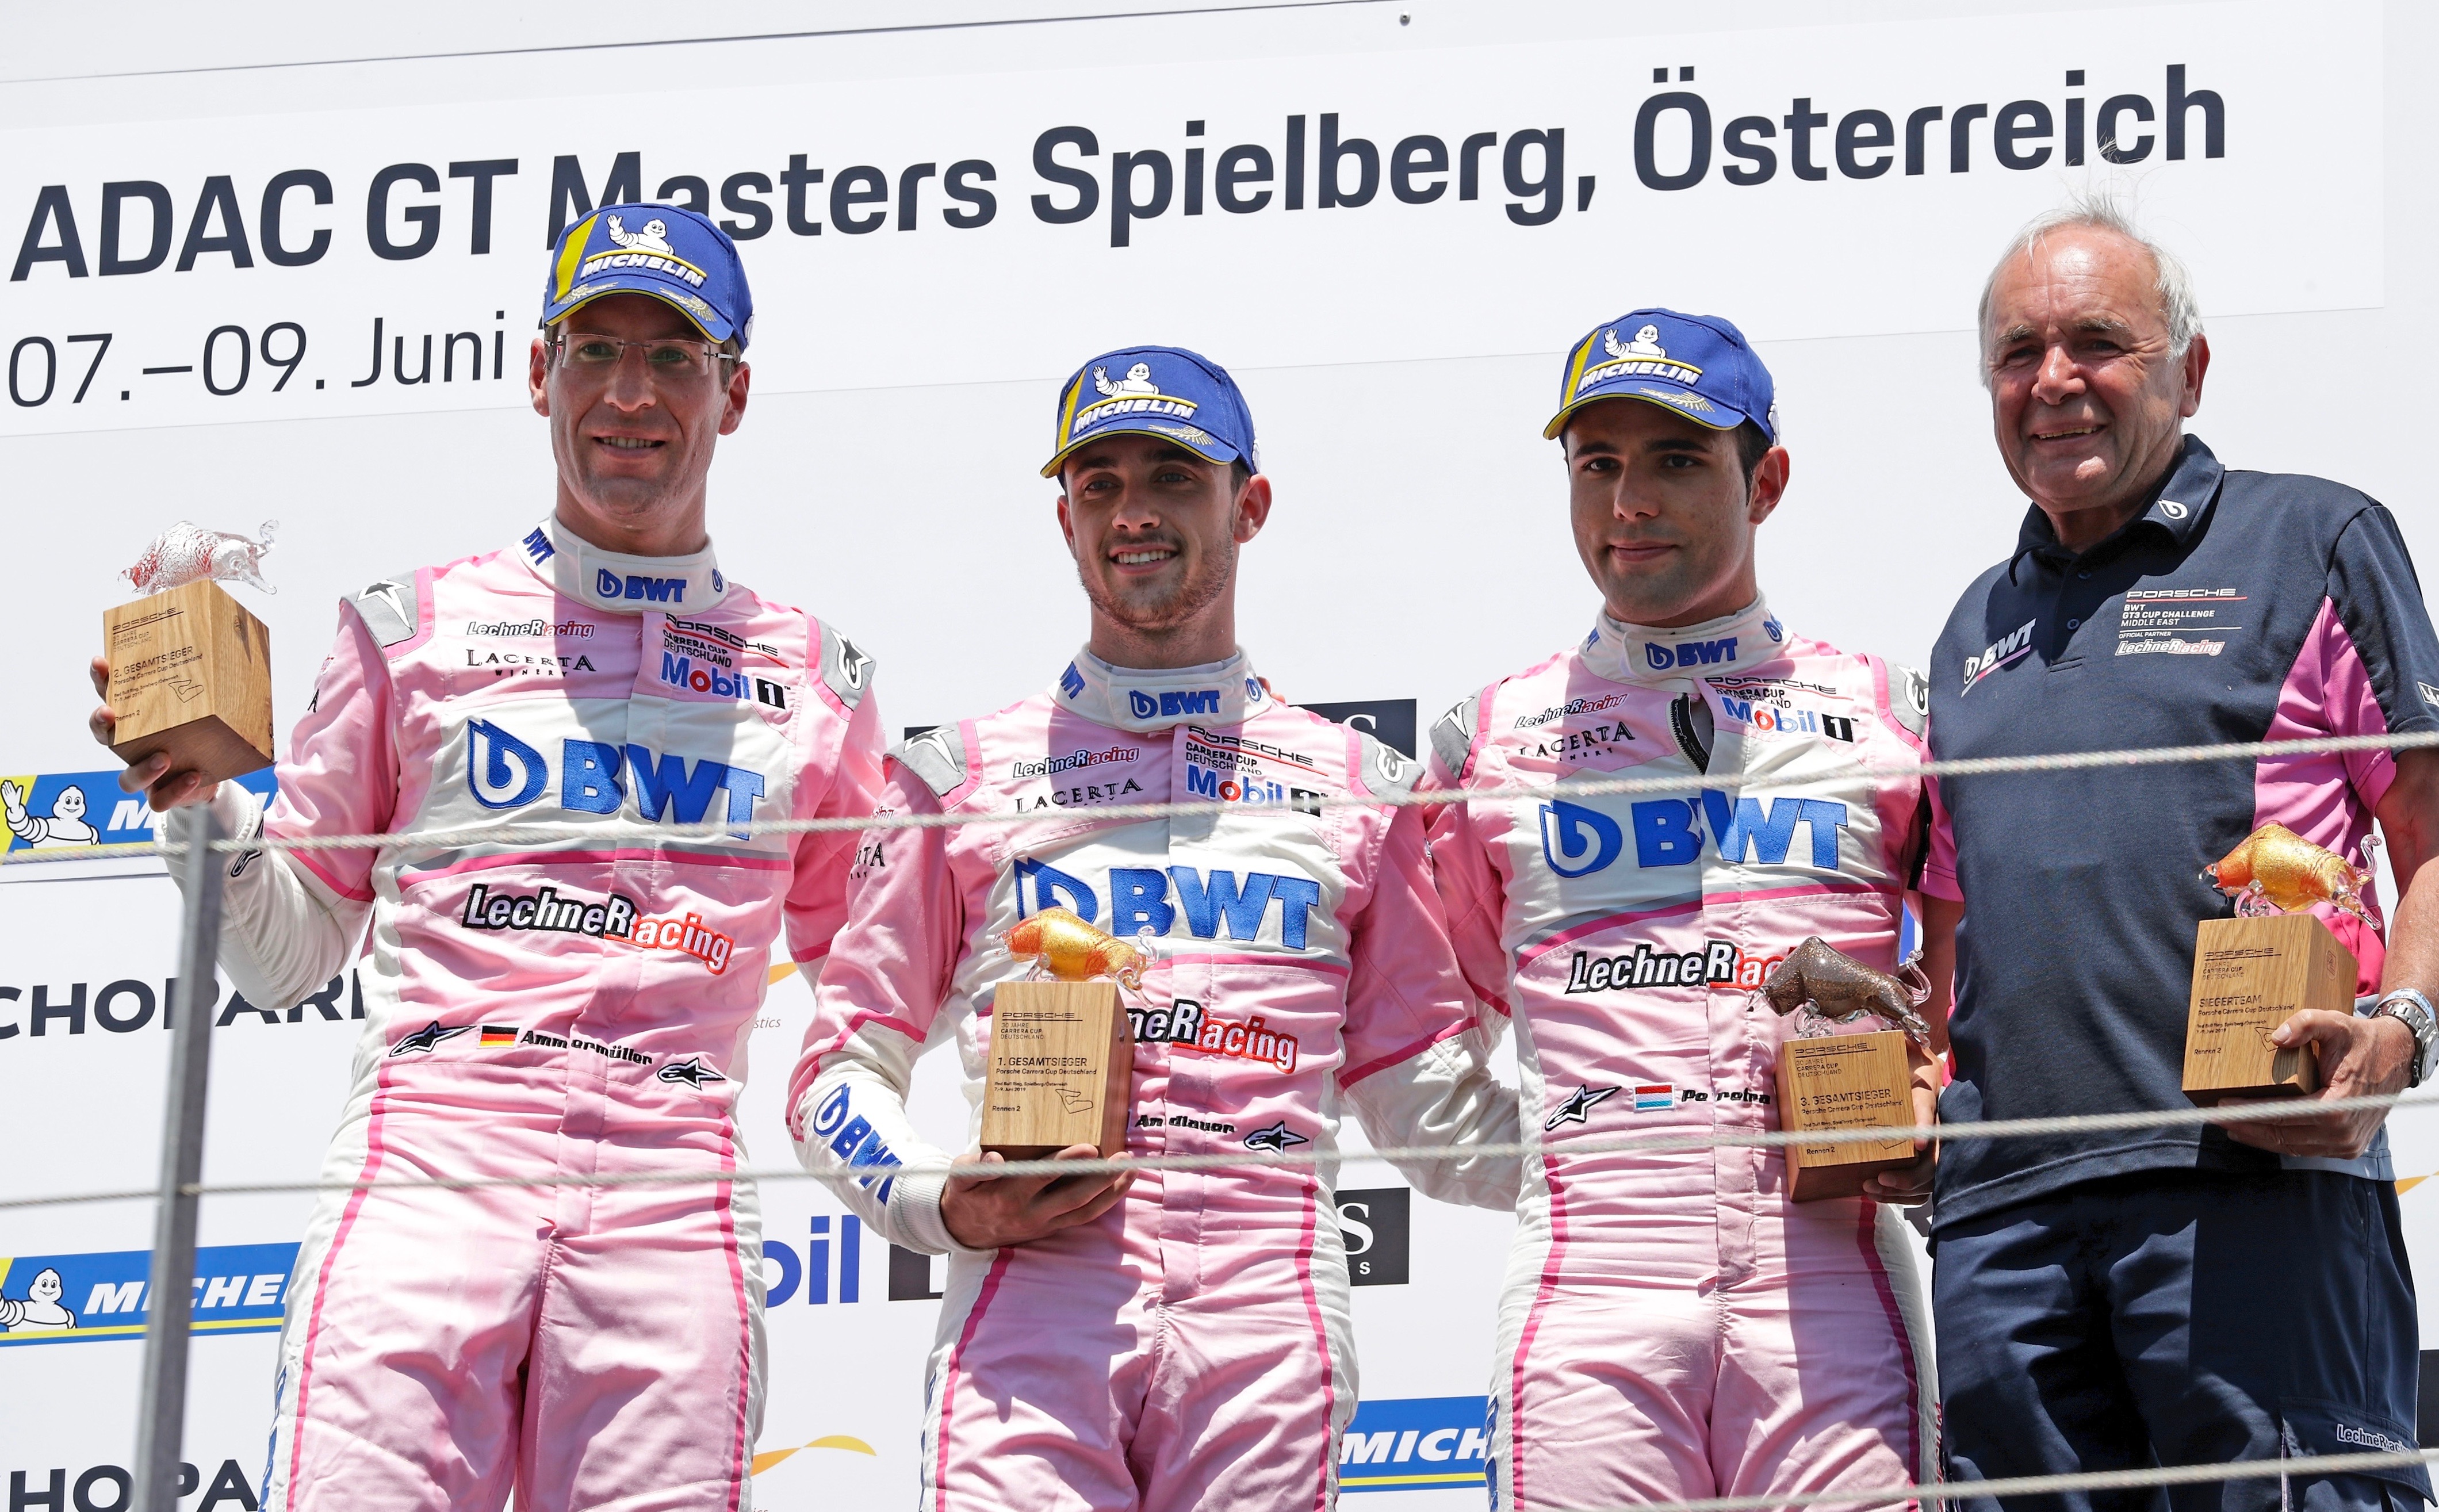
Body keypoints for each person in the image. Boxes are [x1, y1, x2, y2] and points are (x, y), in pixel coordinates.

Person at [86, 202, 886, 1512]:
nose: (631, 393)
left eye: (675, 356)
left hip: (671, 1184)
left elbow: (868, 995)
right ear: (537, 373)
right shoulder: (410, 629)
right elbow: (286, 956)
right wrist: (199, 804)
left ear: (733, 394)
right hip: (433, 1155)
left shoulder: (815, 680)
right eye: (595, 350)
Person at [787, 344, 1517, 1511]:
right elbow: (837, 1072)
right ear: (1065, 519)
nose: (1135, 513)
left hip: (1267, 1307)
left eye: (1173, 477)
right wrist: (937, 1197)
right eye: (1100, 482)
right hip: (1031, 1303)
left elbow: (1422, 1104)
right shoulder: (957, 779)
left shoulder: (1360, 790)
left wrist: (1645, 1157)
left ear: (1249, 503)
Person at [1921, 194, 2439, 1512]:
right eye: (2017, 354)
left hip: (2253, 1180)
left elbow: (2434, 832)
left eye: (2099, 341)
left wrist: (2408, 1026)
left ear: (2191, 369)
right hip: (2002, 1227)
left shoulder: (2313, 538)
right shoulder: (1968, 630)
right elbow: (1957, 930)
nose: (2054, 382)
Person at [1422, 307, 1943, 1512]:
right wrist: (1580, 1164)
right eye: (1596, 464)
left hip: (1832, 1277)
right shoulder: (1492, 741)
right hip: (1588, 1286)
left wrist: (1933, 1114)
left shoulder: (1887, 715)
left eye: (1672, 460)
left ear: (1766, 480)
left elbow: (1975, 995)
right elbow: (1408, 1056)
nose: (1627, 502)